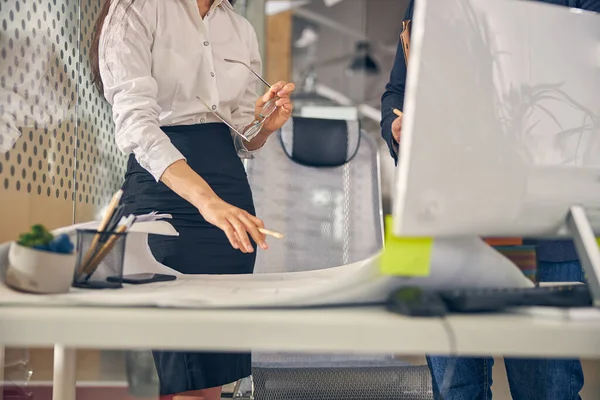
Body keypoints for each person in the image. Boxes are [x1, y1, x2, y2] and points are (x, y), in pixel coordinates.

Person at [381, 0, 599, 399]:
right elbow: (398, 90)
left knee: (545, 386)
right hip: (447, 219)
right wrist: (396, 127)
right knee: (455, 386)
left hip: (538, 220)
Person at [91, 0, 295, 399]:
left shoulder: (239, 27)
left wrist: (264, 125)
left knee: (209, 379)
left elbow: (240, 133)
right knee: (186, 370)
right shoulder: (136, 9)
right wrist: (205, 200)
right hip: (166, 185)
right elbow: (135, 125)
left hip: (228, 187)